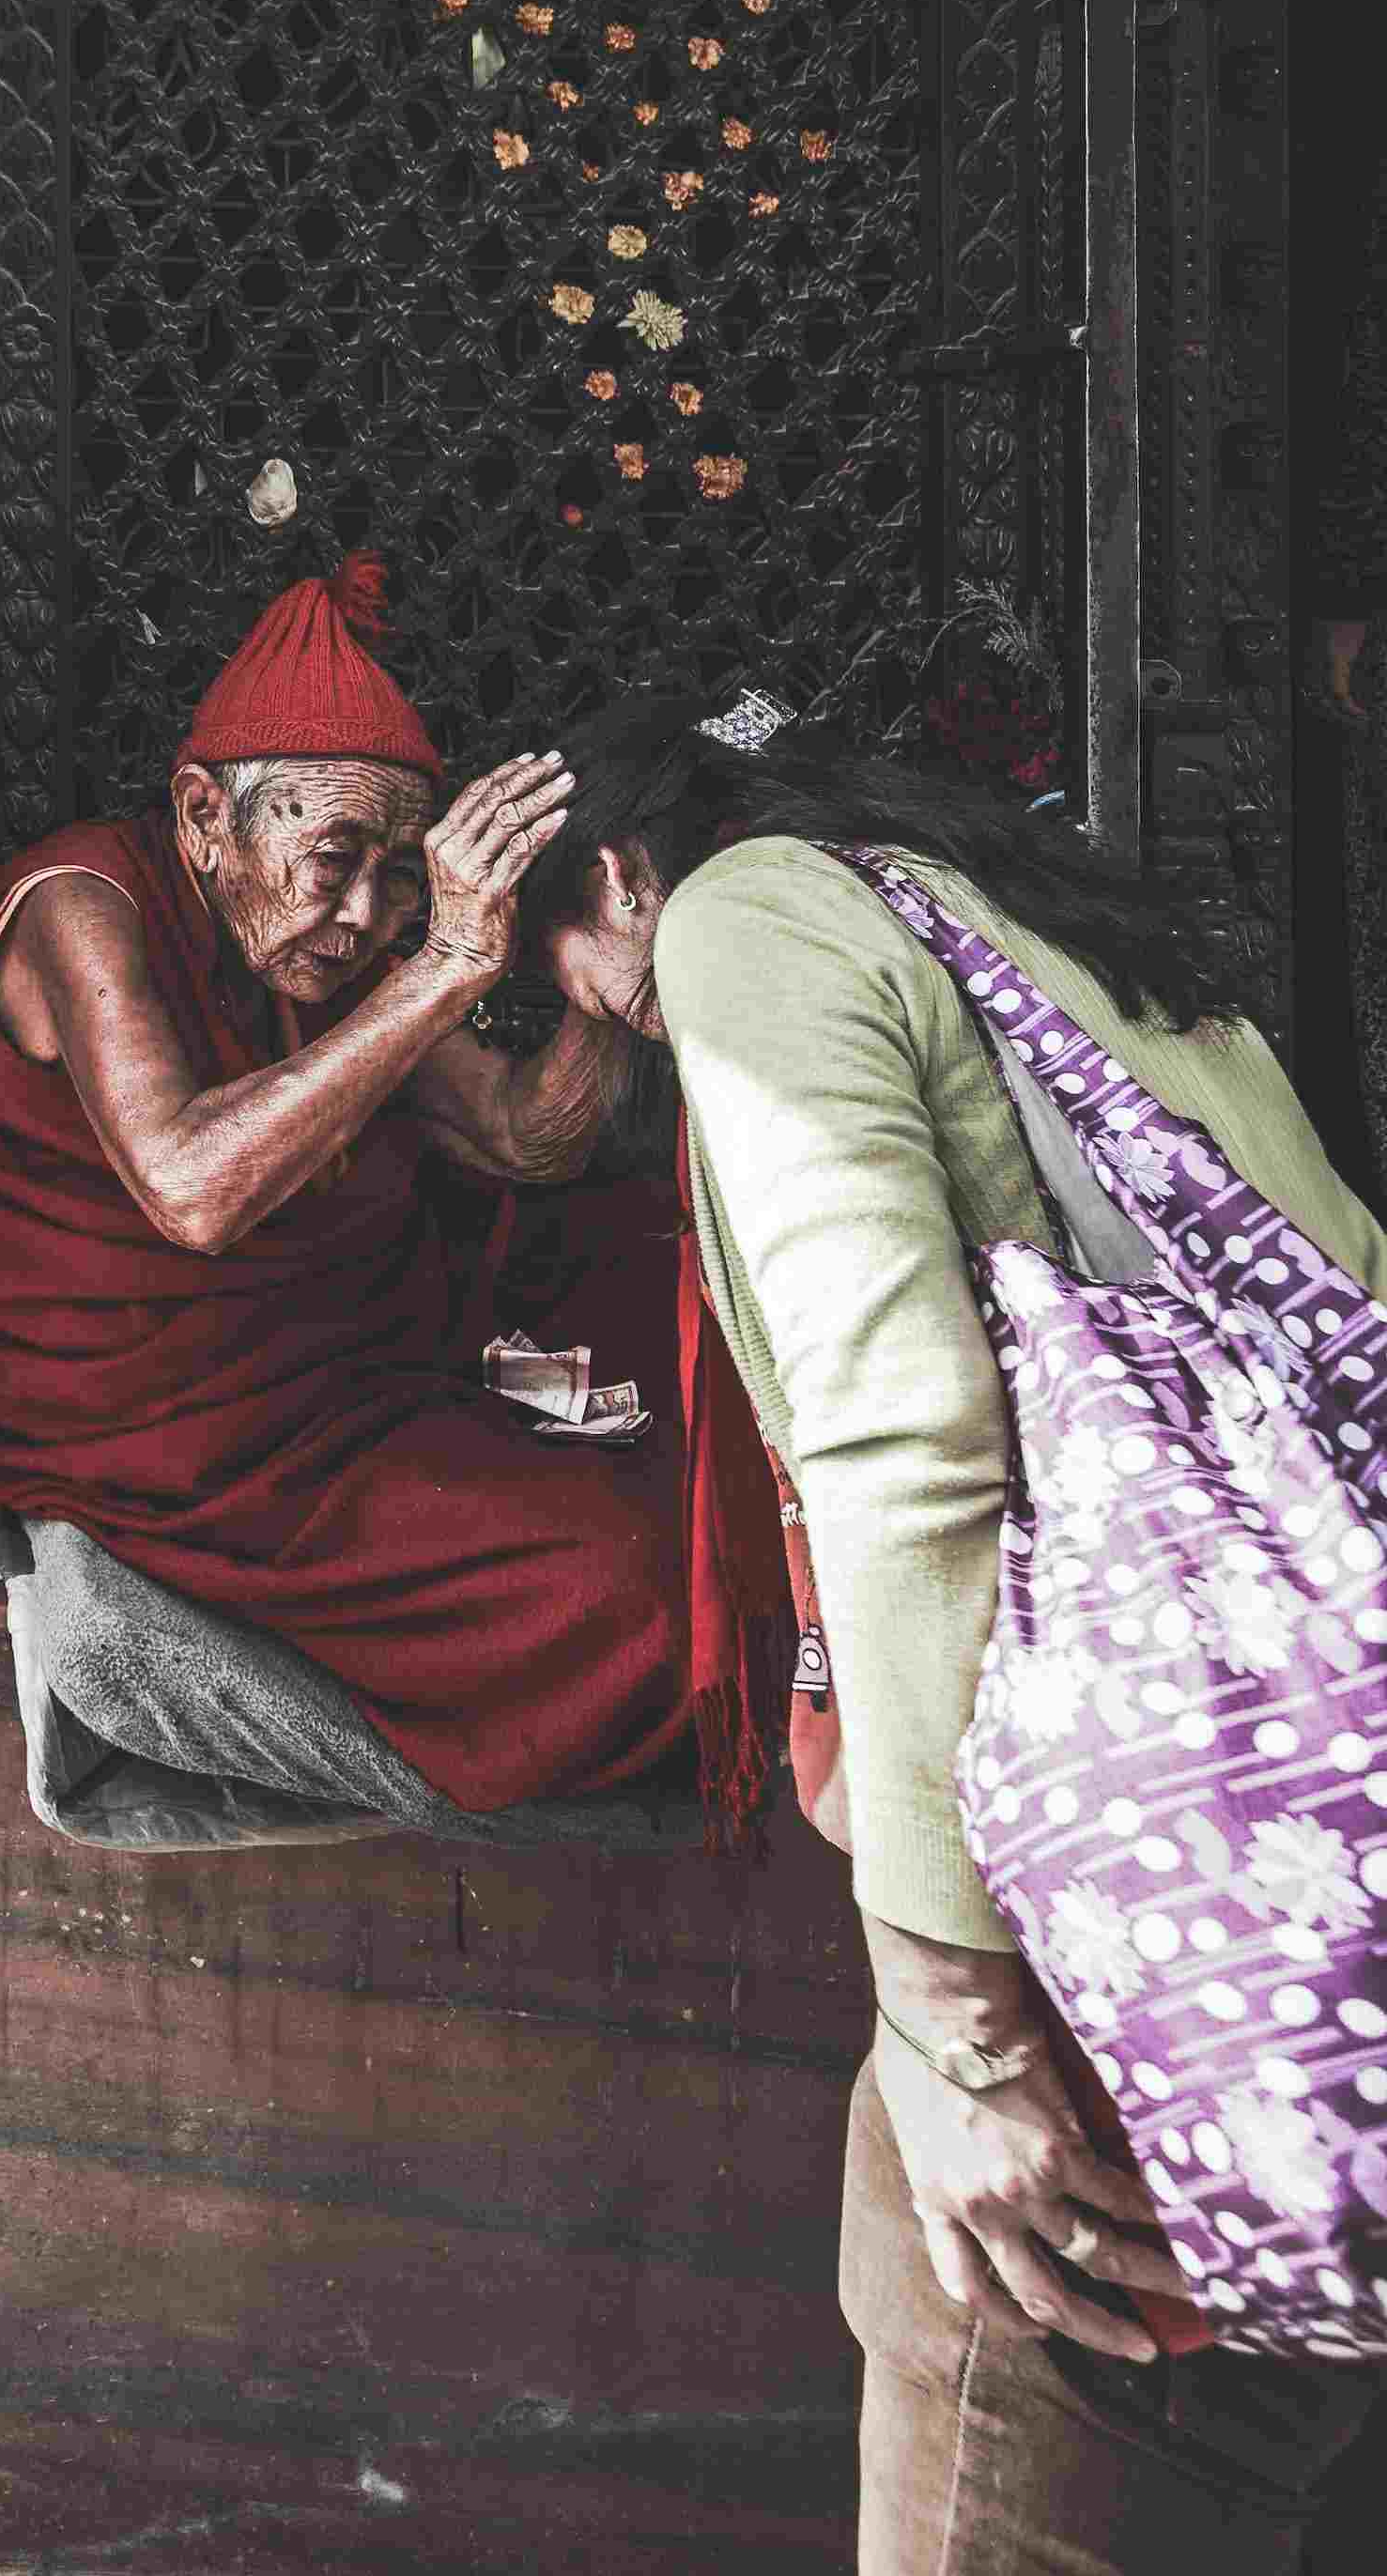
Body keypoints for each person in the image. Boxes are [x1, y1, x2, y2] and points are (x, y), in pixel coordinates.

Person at [518, 689, 1387, 2572]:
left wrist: (953, 2026)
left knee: (1004, 2417)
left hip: (1118, 1940)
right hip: (1312, 1882)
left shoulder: (738, 918)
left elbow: (902, 1444)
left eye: (558, 980)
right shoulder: (1017, 908)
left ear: (610, 877)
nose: (592, 1037)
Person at [0, 560, 706, 1817]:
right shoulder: (79, 907)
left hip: (334, 1373)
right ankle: (149, 1640)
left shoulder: (328, 950)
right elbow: (189, 1185)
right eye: (334, 857)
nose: (362, 910)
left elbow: (521, 1136)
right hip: (165, 1442)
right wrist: (441, 963)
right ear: (207, 813)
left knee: (664, 1295)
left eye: (398, 875)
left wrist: (611, 966)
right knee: (645, 1584)